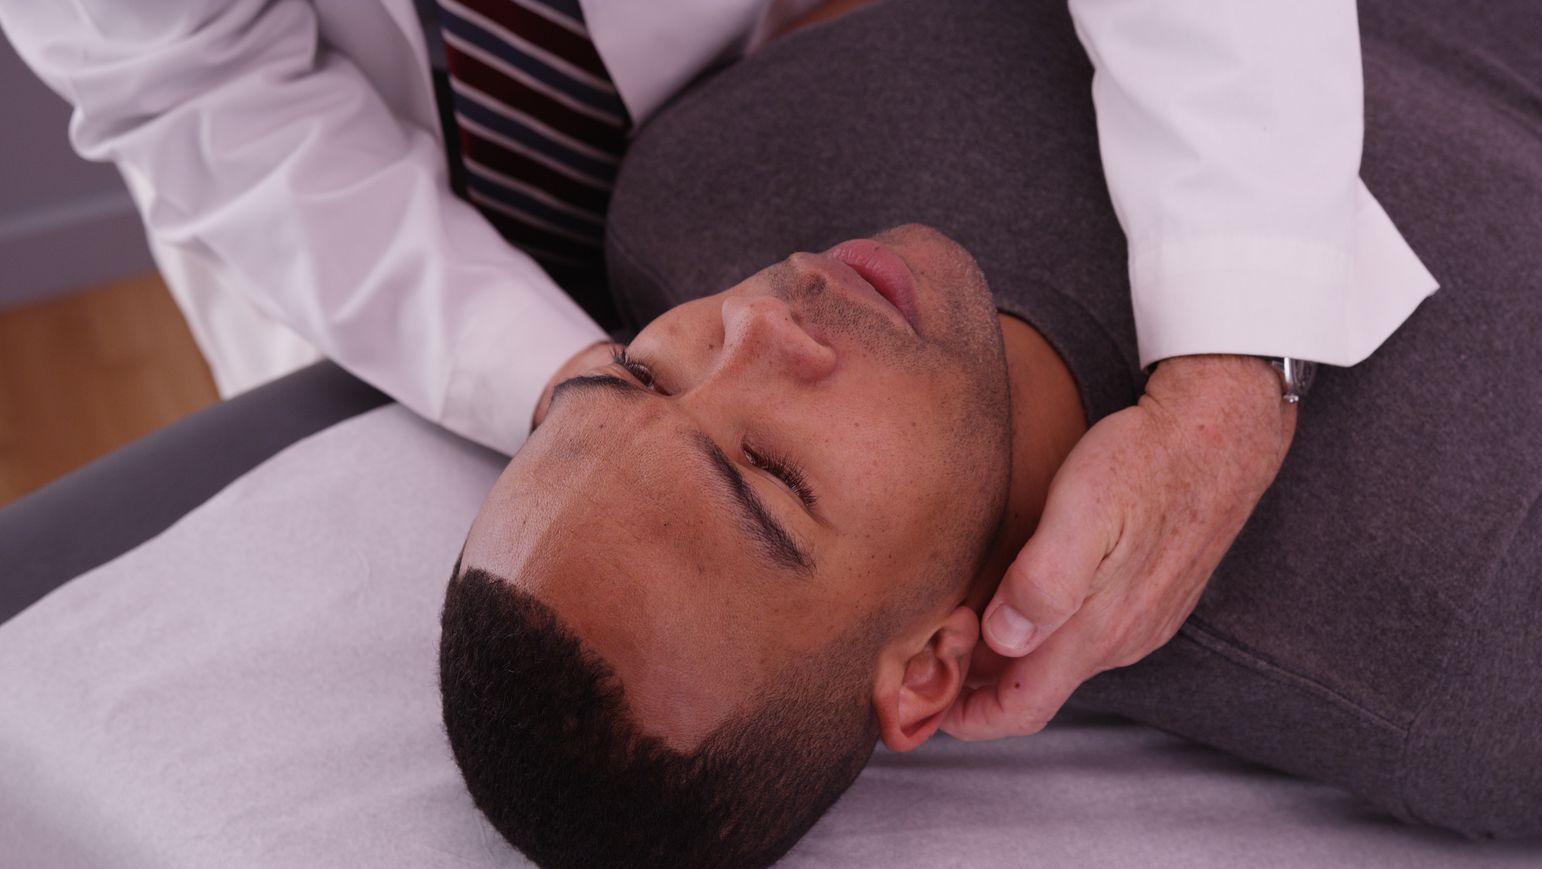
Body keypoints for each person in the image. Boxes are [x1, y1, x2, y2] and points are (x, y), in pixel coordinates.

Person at [455, 0, 1542, 869]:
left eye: (641, 373)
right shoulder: (1457, 633)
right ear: (926, 671)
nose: (761, 324)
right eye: (773, 473)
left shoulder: (699, 191)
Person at [1, 0, 1432, 722]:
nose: (752, 324)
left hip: (772, 72)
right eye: (756, 466)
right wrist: (582, 399)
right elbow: (197, 87)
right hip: (375, 249)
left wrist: (1238, 354)